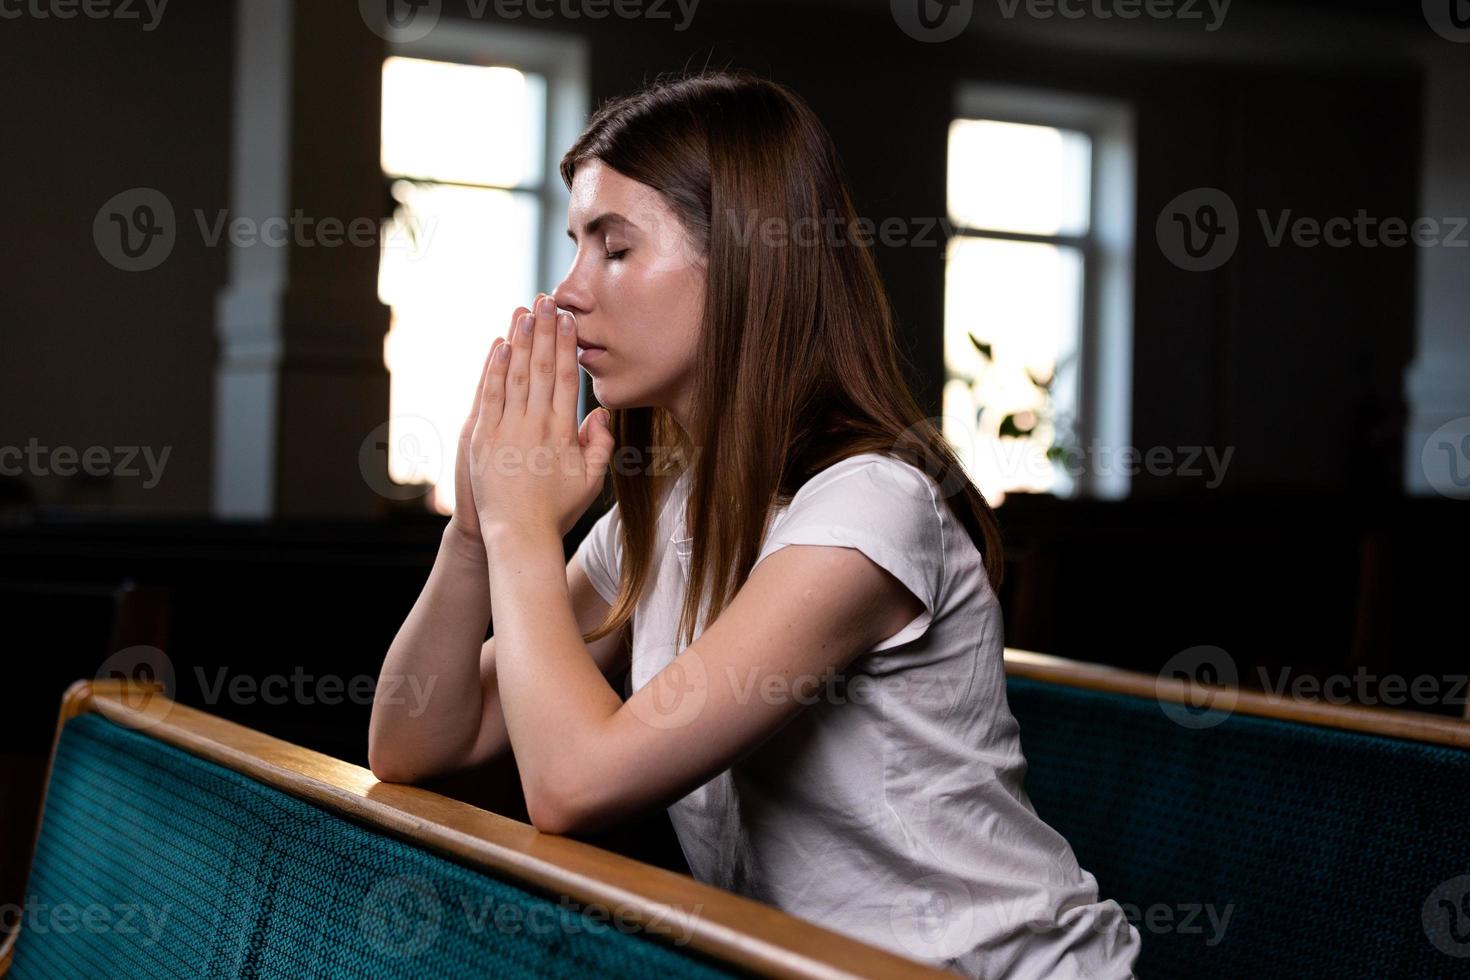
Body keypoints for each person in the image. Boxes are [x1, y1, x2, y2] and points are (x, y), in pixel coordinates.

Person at [369, 69, 1141, 979]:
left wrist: (521, 533)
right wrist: (475, 530)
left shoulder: (868, 507)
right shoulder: (662, 515)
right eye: (575, 243)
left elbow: (573, 784)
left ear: (743, 259)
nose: (570, 289)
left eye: (614, 249)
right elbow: (413, 742)